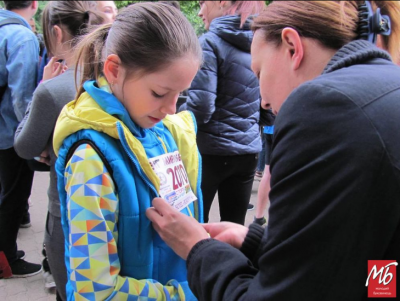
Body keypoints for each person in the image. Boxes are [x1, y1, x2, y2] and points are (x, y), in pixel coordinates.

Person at [147, 1, 400, 300]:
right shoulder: (385, 89)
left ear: (292, 46)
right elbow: (377, 267)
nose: (263, 101)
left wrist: (197, 249)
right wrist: (256, 243)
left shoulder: (325, 105)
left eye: (259, 72)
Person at [52, 2, 203, 300]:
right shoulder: (90, 161)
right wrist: (187, 294)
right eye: (159, 93)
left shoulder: (161, 130)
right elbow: (95, 291)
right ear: (114, 70)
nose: (172, 109)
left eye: (180, 95)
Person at [14, 1, 104, 298]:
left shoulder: (54, 90)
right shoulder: (113, 76)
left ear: (55, 31)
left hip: (67, 212)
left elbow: (24, 145)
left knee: (71, 291)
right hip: (112, 204)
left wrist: (42, 86)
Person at [180, 1, 265, 225]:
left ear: (222, 3)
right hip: (248, 154)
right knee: (235, 228)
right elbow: (268, 108)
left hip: (210, 153)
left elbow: (201, 107)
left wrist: (176, 111)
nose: (199, 12)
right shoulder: (261, 42)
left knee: (198, 227)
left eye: (202, 3)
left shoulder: (209, 43)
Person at [0, 0, 41, 277]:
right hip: (10, 134)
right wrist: (32, 137)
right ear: (34, 4)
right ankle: (7, 260)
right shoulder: (22, 36)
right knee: (14, 197)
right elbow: (22, 98)